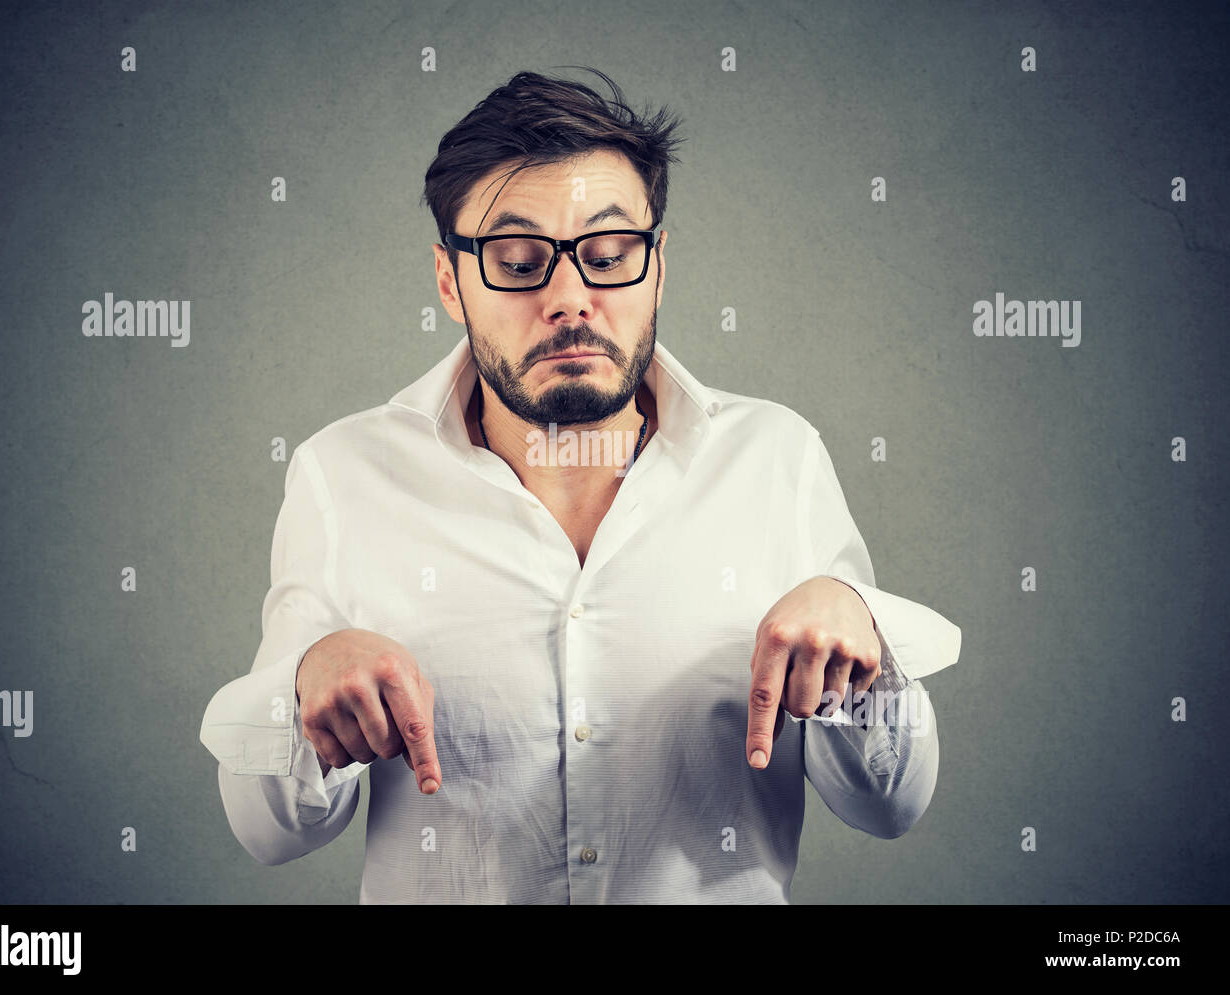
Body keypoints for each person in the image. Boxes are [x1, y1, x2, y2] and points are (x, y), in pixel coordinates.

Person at [199, 67, 962, 904]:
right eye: (518, 260)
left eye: (607, 256)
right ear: (450, 281)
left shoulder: (778, 458)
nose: (570, 298)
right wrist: (308, 681)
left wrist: (865, 650)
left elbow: (892, 804)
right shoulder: (342, 476)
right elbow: (267, 829)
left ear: (658, 266)